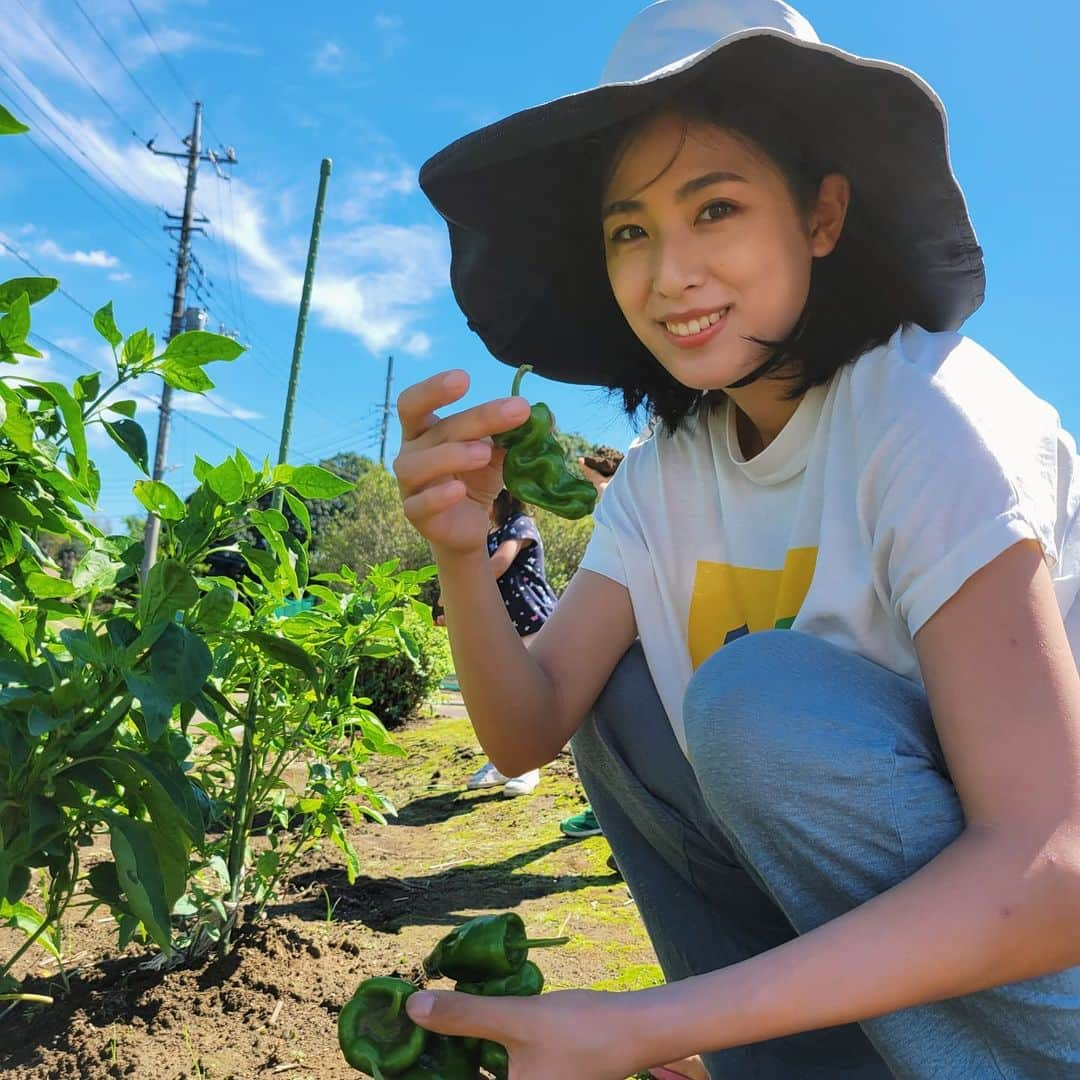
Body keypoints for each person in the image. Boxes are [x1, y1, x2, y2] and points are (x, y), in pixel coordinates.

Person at [392, 2, 1080, 1077]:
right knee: (619, 706)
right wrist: (459, 558)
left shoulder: (928, 421)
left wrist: (651, 1025)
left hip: (1050, 987)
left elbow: (1055, 870)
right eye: (630, 231)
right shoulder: (667, 471)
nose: (669, 275)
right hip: (914, 948)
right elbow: (526, 731)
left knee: (756, 701)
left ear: (822, 215)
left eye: (715, 208)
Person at [455, 489, 558, 796]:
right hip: (505, 629)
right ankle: (503, 762)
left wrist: (454, 592)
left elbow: (497, 565)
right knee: (502, 698)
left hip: (533, 623)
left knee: (525, 697)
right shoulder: (491, 532)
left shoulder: (520, 524)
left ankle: (528, 768)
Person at [560, 447, 624, 840]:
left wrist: (594, 477)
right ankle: (609, 811)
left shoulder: (619, 489)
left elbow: (605, 493)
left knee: (606, 709)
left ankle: (608, 811)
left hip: (632, 614)